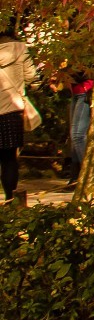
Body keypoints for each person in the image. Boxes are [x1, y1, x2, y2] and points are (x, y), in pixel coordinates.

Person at [0, 25, 36, 205]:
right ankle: (10, 199)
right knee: (9, 158)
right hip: (12, 110)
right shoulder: (20, 49)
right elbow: (31, 77)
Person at [61, 70, 92, 188]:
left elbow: (84, 72)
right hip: (76, 92)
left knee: (77, 135)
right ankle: (75, 177)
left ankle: (88, 174)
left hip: (85, 91)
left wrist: (67, 72)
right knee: (74, 137)